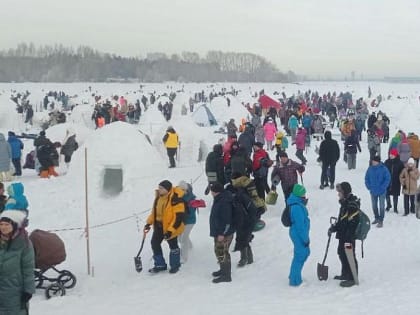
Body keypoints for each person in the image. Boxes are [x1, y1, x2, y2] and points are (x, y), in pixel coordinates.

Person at [144, 180, 185, 274]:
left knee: (173, 246)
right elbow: (155, 213)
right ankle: (160, 264)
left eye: (161, 188)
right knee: (154, 243)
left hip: (171, 227)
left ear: (167, 189)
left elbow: (178, 217)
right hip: (159, 226)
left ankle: (175, 265)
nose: (159, 190)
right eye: (159, 187)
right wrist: (148, 223)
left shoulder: (175, 199)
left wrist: (170, 230)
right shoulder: (158, 198)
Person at [0, 210, 35, 314]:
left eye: (7, 224)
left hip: (14, 290)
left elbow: (28, 268)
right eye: (1, 224)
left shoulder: (24, 243)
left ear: (15, 225)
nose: (3, 227)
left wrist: (28, 290)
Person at [329, 182, 361, 287]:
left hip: (349, 237)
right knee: (341, 253)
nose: (338, 194)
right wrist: (334, 228)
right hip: (343, 235)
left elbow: (353, 221)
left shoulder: (352, 204)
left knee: (349, 255)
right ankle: (345, 273)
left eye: (340, 192)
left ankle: (353, 278)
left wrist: (349, 235)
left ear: (345, 192)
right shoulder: (344, 203)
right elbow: (342, 220)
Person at [209, 182, 235, 283]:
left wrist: (222, 233)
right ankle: (223, 270)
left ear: (216, 192)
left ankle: (226, 275)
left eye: (212, 190)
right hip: (220, 231)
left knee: (222, 252)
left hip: (223, 233)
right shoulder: (220, 198)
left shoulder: (224, 201)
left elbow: (226, 220)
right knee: (220, 251)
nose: (211, 192)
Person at [287, 184, 310, 286]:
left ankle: (294, 275)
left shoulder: (296, 203)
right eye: (303, 193)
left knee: (301, 254)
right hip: (298, 234)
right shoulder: (296, 207)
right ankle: (295, 280)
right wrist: (305, 239)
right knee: (300, 256)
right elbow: (300, 226)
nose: (305, 195)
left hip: (297, 233)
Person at [365, 155, 391, 228]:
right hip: (373, 191)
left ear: (378, 162)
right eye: (372, 161)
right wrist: (368, 186)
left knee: (382, 206)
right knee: (374, 206)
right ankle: (376, 218)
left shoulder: (384, 169)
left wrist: (383, 187)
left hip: (382, 191)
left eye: (374, 161)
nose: (373, 162)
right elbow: (366, 178)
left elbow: (388, 178)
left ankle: (381, 220)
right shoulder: (370, 169)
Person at [178, 181, 197, 263]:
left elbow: (191, 212)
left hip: (190, 221)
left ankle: (184, 257)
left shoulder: (191, 199)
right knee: (179, 237)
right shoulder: (178, 197)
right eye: (180, 189)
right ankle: (190, 246)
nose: (181, 191)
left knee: (183, 239)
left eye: (183, 189)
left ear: (187, 190)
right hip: (181, 221)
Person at [384, 149, 404, 213]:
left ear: (395, 155)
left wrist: (401, 179)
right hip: (387, 181)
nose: (391, 156)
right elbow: (383, 171)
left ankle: (395, 208)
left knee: (395, 196)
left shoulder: (400, 163)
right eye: (390, 154)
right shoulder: (387, 162)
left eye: (392, 155)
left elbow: (402, 172)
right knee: (386, 194)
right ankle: (388, 205)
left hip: (396, 182)